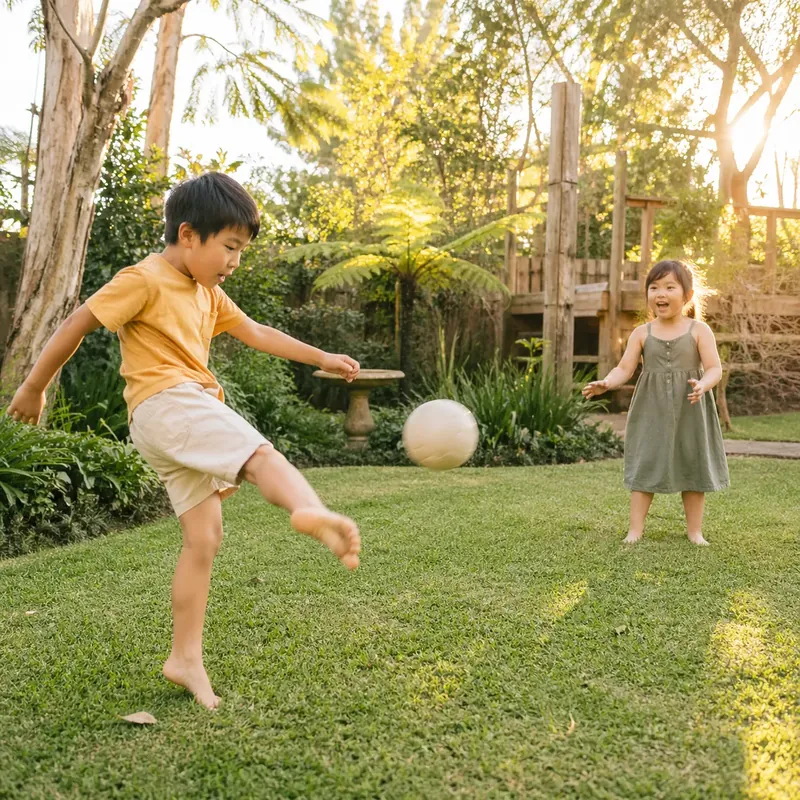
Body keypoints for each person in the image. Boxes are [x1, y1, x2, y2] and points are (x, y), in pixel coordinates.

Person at [6, 172, 362, 709]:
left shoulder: (208, 294)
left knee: (203, 539)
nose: (234, 262)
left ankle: (185, 658)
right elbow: (76, 324)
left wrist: (322, 358)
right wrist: (33, 387)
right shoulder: (144, 278)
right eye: (230, 247)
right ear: (190, 235)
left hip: (169, 419)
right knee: (260, 454)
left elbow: (258, 333)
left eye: (241, 250)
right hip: (168, 403)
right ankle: (309, 510)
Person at [583, 259, 729, 545]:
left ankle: (694, 532)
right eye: (654, 287)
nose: (660, 294)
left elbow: (714, 368)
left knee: (692, 462)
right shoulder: (641, 333)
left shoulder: (699, 330)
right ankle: (635, 531)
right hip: (651, 409)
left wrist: (703, 384)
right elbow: (624, 368)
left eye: (669, 287)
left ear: (687, 296)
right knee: (645, 462)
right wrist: (608, 383)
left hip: (691, 407)